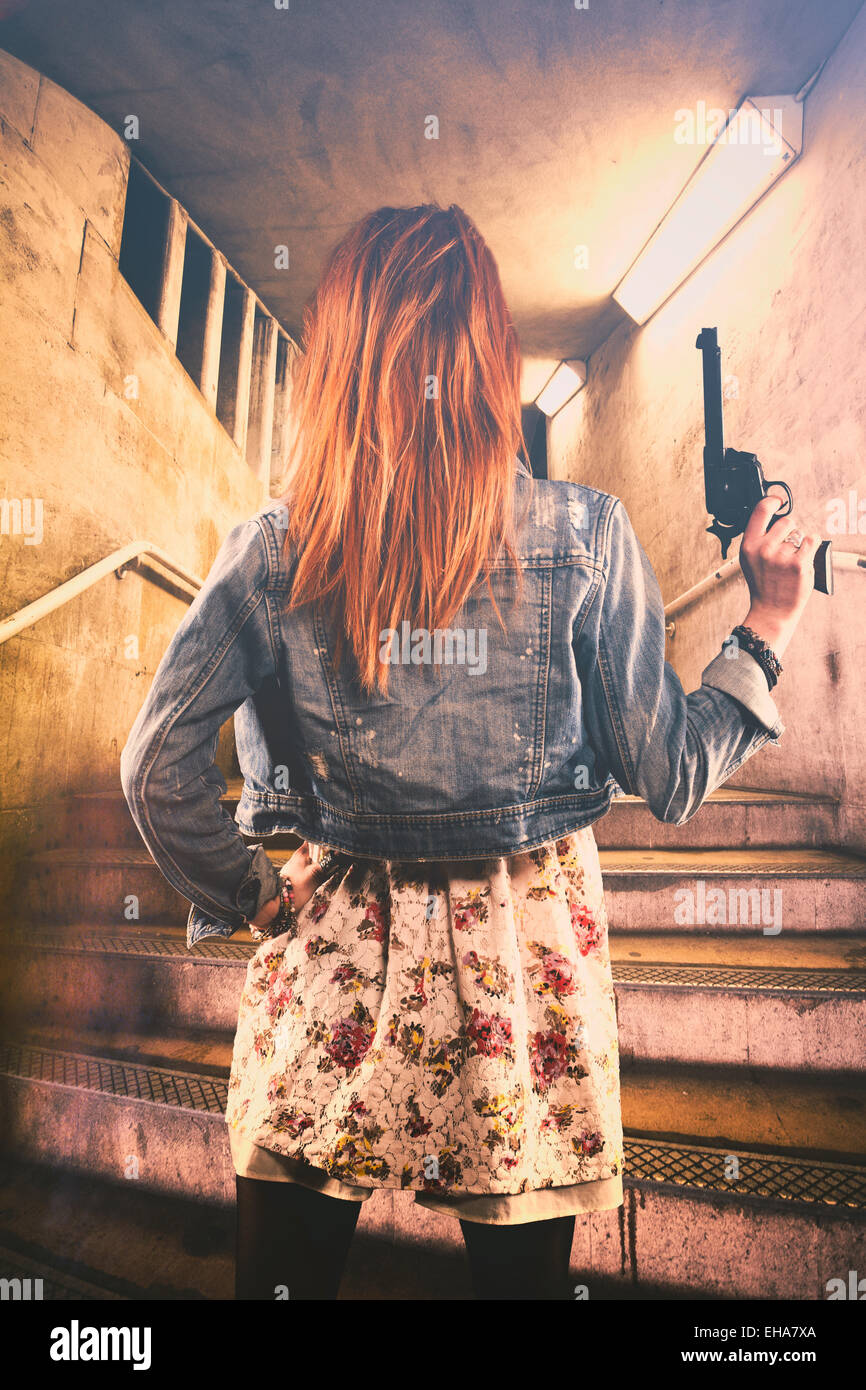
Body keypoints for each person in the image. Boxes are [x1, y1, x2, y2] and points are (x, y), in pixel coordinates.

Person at [120, 204, 819, 1301]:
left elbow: (155, 764)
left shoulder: (274, 548)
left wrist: (250, 896)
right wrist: (765, 622)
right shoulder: (586, 535)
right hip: (523, 974)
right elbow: (672, 773)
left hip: (330, 965)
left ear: (341, 363)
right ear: (489, 360)